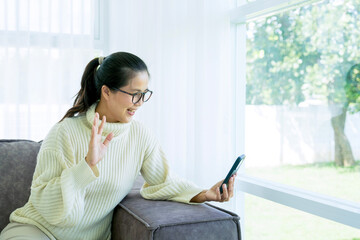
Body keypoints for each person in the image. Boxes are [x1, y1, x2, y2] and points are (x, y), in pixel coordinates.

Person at [0, 52, 236, 240]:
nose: (141, 103)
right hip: (37, 231)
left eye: (145, 94)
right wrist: (87, 166)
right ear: (106, 92)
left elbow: (164, 181)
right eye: (134, 94)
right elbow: (45, 204)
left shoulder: (139, 135)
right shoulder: (65, 132)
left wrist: (205, 194)